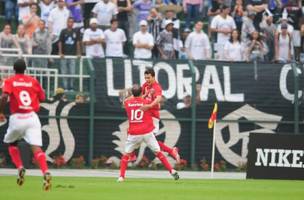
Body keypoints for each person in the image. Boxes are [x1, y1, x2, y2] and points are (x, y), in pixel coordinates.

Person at [0, 59, 51, 191]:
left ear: (14, 69)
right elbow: (43, 98)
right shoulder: (33, 81)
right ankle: (45, 172)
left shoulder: (10, 81)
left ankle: (20, 167)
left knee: (11, 143)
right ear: (25, 69)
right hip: (32, 117)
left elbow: (4, 97)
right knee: (37, 148)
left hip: (17, 117)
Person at [118, 84, 179, 182]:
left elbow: (128, 99)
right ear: (141, 92)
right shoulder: (146, 102)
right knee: (158, 153)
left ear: (132, 94)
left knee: (126, 156)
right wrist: (147, 95)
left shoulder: (127, 103)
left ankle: (121, 177)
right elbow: (157, 105)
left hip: (134, 134)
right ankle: (172, 171)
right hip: (146, 132)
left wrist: (141, 94)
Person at [140, 68, 181, 163]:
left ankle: (131, 155)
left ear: (153, 76)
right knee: (148, 140)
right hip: (146, 116)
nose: (147, 80)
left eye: (148, 78)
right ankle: (172, 151)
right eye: (145, 78)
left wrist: (149, 105)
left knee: (147, 139)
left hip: (153, 117)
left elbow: (158, 99)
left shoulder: (157, 87)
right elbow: (140, 97)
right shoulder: (145, 86)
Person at [58, 17, 81, 90]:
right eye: (69, 22)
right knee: (64, 72)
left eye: (72, 22)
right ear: (67, 22)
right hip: (64, 55)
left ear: (73, 23)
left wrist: (78, 53)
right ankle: (65, 87)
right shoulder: (63, 31)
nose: (70, 23)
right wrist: (60, 52)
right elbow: (60, 42)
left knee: (72, 72)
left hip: (72, 55)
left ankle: (71, 87)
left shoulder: (75, 31)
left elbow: (77, 43)